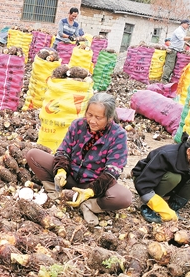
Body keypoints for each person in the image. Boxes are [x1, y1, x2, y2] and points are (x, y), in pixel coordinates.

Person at [26, 93, 132, 225]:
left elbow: (113, 170)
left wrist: (90, 191)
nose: (92, 120)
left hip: (93, 184)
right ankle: (57, 193)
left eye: (98, 117)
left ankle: (88, 204)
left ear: (109, 118)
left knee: (124, 197)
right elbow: (63, 150)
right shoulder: (78, 125)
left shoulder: (117, 135)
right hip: (70, 176)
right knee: (33, 155)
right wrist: (61, 171)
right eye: (90, 115)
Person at [132, 132, 190, 223]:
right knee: (174, 177)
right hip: (145, 179)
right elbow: (143, 185)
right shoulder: (166, 155)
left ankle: (173, 206)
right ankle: (150, 208)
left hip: (175, 183)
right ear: (189, 151)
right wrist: (159, 207)